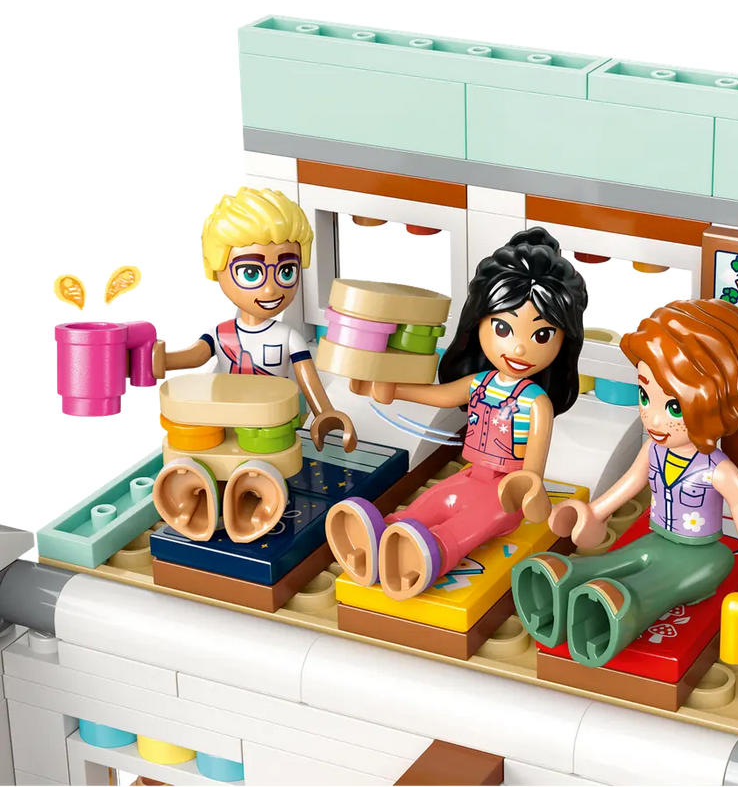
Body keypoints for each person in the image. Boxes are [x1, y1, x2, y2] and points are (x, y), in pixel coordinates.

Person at [512, 298, 738, 667]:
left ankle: (621, 606)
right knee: (618, 560)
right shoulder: (653, 452)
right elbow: (628, 484)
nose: (654, 418)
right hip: (655, 538)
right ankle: (568, 576)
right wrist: (593, 512)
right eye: (645, 396)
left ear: (722, 409)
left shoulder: (715, 468)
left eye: (673, 407)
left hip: (703, 556)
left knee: (657, 584)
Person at [327, 228, 587, 600]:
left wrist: (529, 489)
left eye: (541, 335)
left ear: (564, 341)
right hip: (467, 477)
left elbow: (532, 471)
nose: (518, 347)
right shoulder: (479, 382)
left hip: (503, 498)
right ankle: (380, 538)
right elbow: (441, 397)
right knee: (427, 505)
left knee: (463, 528)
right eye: (503, 327)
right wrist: (389, 389)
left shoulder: (536, 403)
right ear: (478, 322)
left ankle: (427, 556)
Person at [150, 188, 356, 542]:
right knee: (199, 454)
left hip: (267, 431)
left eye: (286, 271)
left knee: (264, 469)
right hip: (218, 425)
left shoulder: (288, 336)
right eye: (250, 273)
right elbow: (195, 355)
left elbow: (306, 375)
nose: (272, 288)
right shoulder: (221, 333)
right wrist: (161, 360)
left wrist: (324, 412)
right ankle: (199, 497)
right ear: (217, 271)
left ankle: (254, 500)